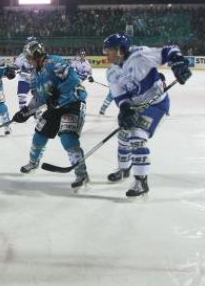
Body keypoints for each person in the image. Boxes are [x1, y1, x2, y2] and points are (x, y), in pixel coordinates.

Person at [102, 33, 192, 198]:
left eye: (109, 50)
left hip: (156, 105)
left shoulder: (140, 56)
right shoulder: (112, 73)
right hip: (136, 107)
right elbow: (120, 96)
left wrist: (178, 64)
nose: (105, 54)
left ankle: (141, 181)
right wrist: (125, 109)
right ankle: (124, 169)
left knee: (137, 136)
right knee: (123, 136)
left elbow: (169, 51)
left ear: (120, 50)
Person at [11, 40, 90, 190]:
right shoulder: (34, 75)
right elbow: (39, 98)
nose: (27, 60)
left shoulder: (54, 62)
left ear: (36, 55)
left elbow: (73, 79)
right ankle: (33, 163)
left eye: (29, 57)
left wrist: (58, 95)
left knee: (68, 138)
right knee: (39, 135)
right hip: (56, 106)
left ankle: (81, 174)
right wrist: (25, 112)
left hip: (72, 103)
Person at [13, 37, 37, 109]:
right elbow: (16, 66)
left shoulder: (39, 55)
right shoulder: (22, 56)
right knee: (21, 96)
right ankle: (22, 111)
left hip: (36, 79)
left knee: (39, 96)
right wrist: (14, 68)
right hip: (24, 79)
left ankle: (38, 114)